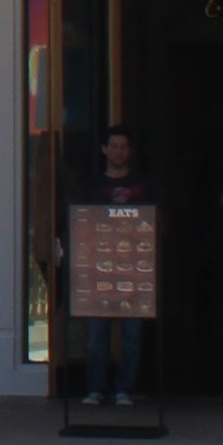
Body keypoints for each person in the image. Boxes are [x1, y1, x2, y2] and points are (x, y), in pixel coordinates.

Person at [70, 122, 156, 410]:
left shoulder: (143, 186)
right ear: (104, 149)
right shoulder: (92, 186)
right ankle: (95, 388)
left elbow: (153, 225)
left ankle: (124, 390)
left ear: (129, 151)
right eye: (114, 146)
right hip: (99, 271)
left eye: (124, 146)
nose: (119, 152)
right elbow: (80, 225)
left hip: (133, 270)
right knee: (96, 337)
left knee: (132, 337)